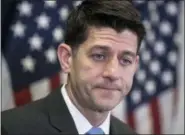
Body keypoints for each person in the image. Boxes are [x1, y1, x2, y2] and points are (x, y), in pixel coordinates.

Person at [1, 0, 145, 134]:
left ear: (135, 65)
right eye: (99, 56)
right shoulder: (10, 129)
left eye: (126, 60)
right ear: (66, 58)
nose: (113, 73)